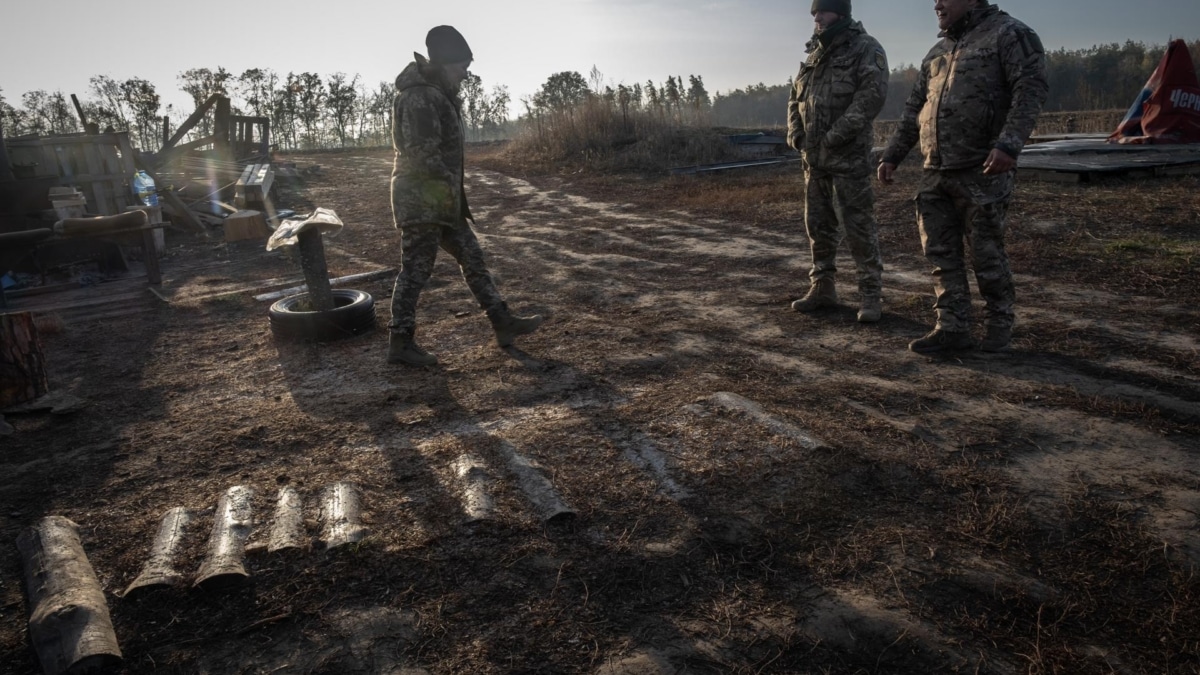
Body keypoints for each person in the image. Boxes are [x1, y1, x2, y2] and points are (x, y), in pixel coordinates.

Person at [878, 0, 1048, 353]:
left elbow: (1030, 90)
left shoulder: (1009, 33)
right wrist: (892, 155)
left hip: (982, 169)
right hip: (935, 171)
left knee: (986, 253)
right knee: (940, 253)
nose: (936, 5)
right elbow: (914, 109)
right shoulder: (938, 51)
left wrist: (1009, 145)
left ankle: (1000, 323)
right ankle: (952, 326)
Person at [388, 26, 542, 366]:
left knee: (473, 259)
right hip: (422, 200)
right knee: (415, 271)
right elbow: (422, 154)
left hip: (441, 201)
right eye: (462, 67)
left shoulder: (436, 93)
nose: (465, 74)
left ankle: (502, 323)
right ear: (444, 63)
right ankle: (400, 343)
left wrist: (451, 196)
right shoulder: (420, 96)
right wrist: (444, 187)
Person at [786, 0, 889, 323]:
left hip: (848, 157)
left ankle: (870, 295)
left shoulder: (865, 48)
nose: (816, 17)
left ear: (841, 13)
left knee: (858, 225)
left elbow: (870, 98)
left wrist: (833, 137)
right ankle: (823, 287)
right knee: (818, 225)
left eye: (822, 11)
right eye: (814, 12)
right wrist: (797, 134)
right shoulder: (814, 53)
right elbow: (795, 96)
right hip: (813, 159)